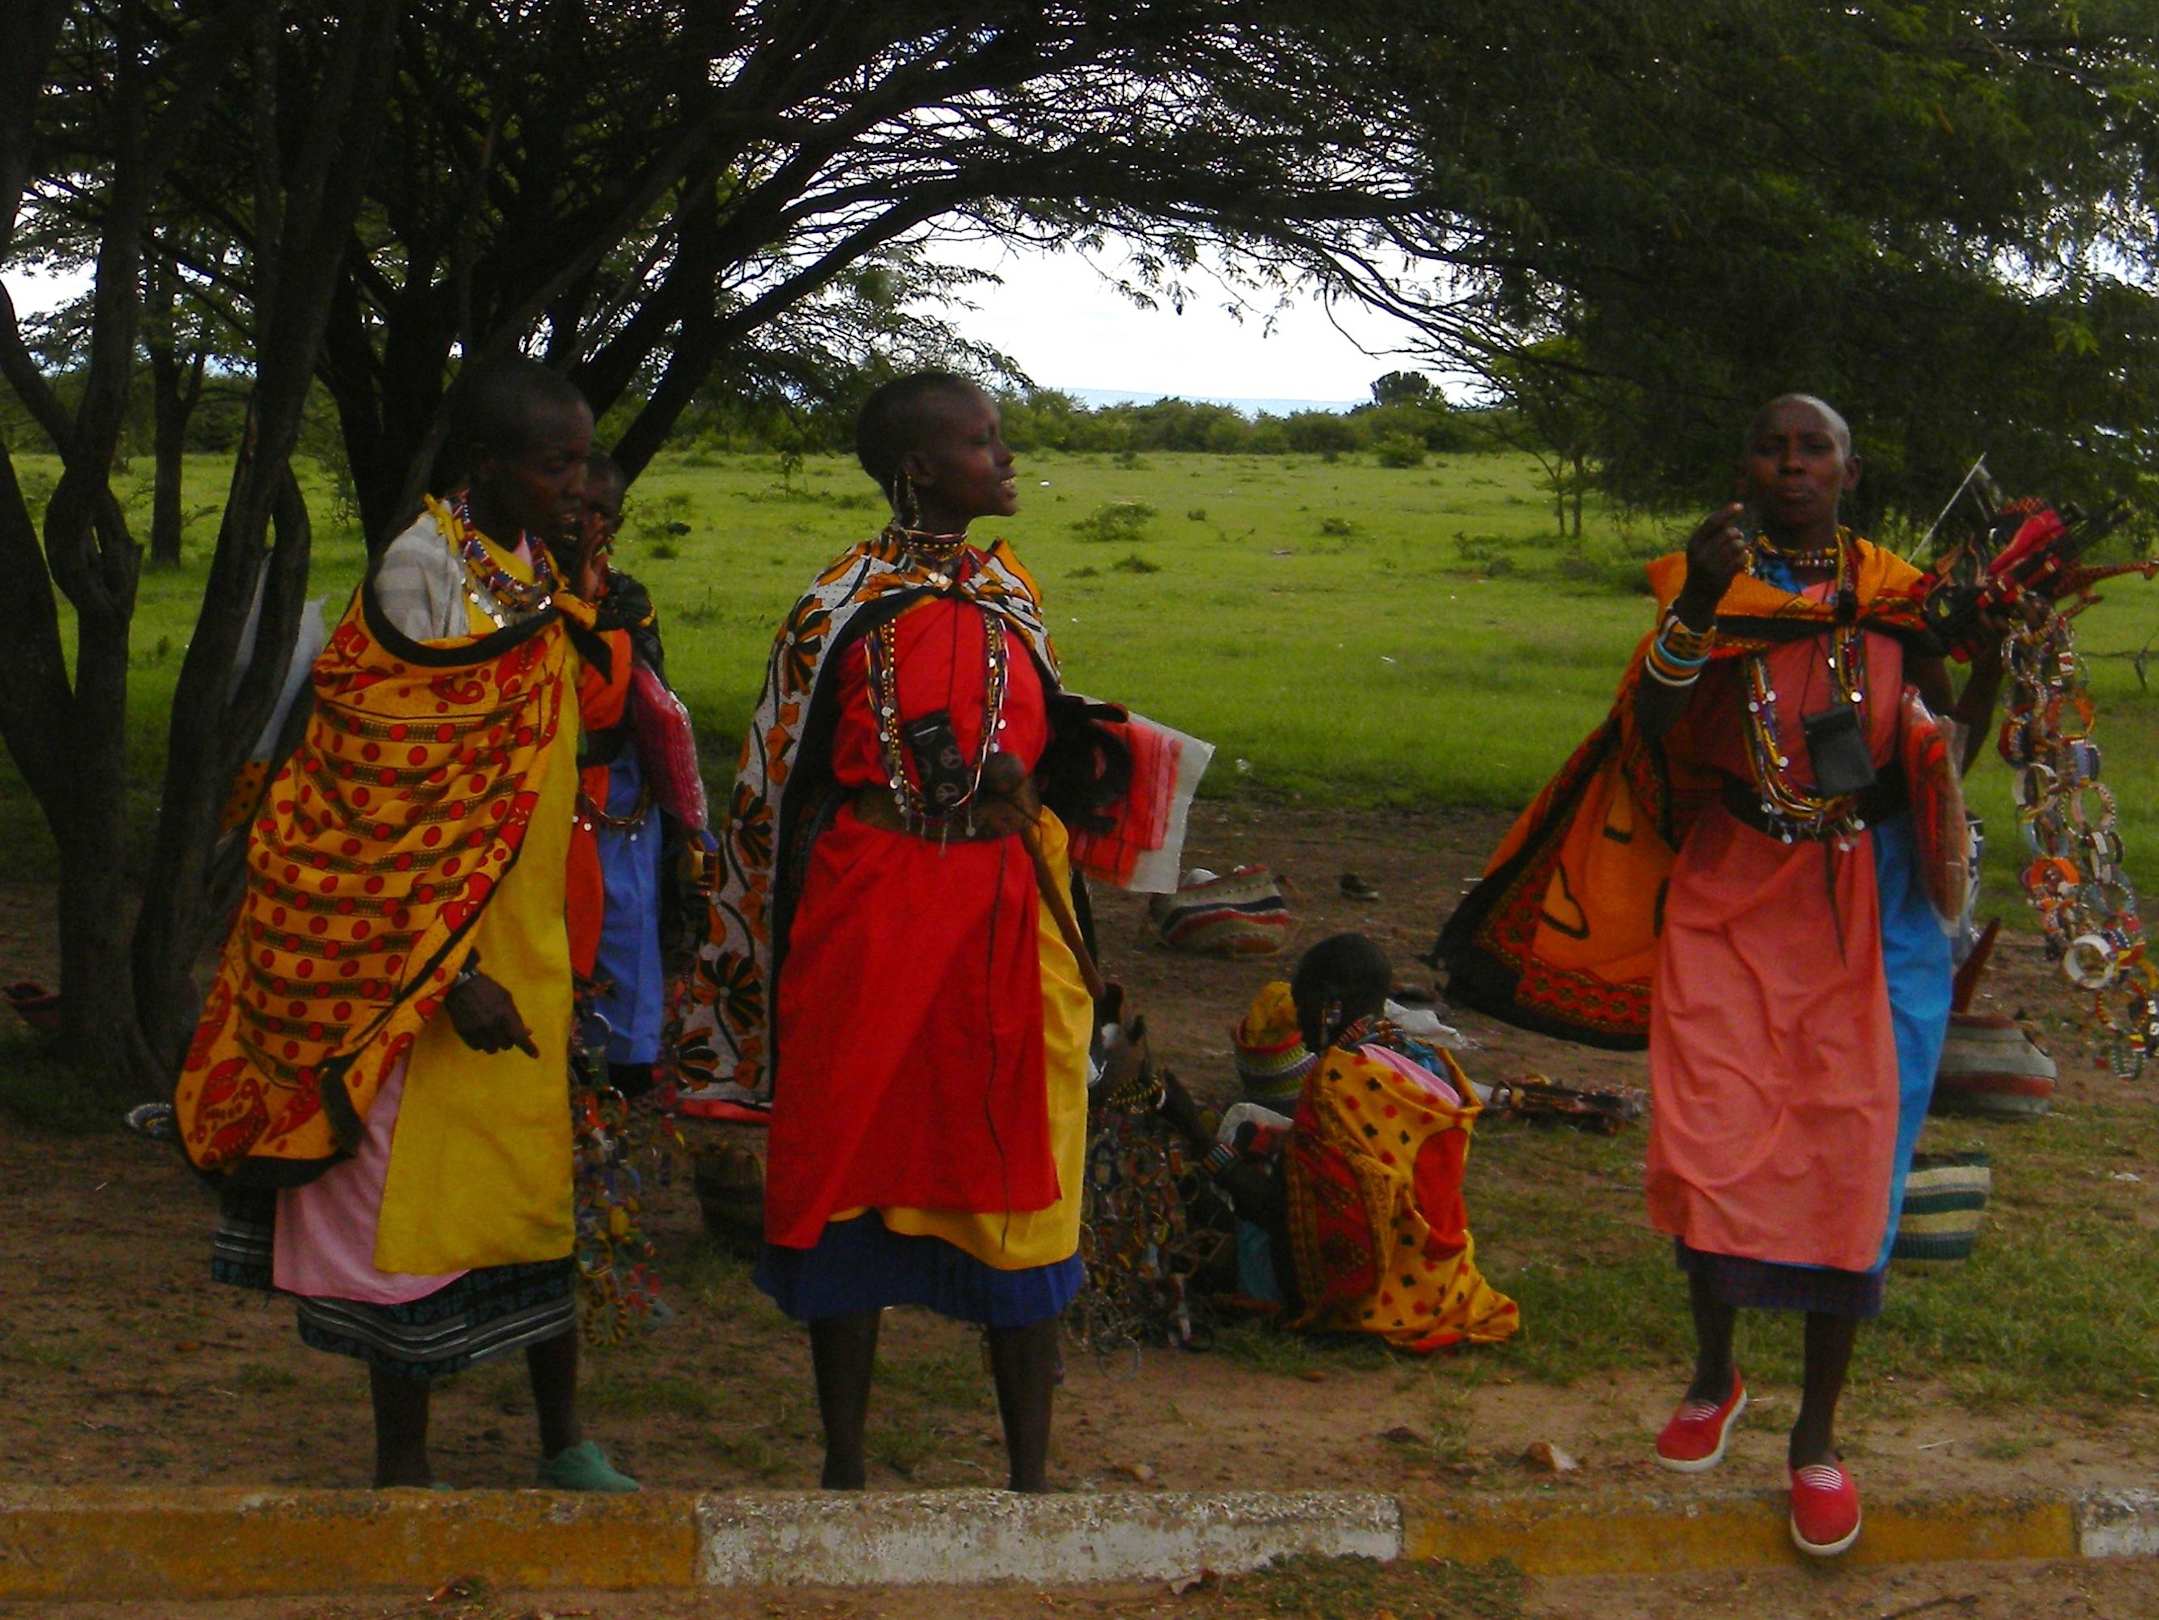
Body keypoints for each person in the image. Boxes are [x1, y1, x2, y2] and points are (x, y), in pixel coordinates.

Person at [1438, 394, 2004, 1557]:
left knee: (1848, 1163)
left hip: (1870, 909)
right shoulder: (1708, 588)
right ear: (1743, 467)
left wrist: (1988, 652)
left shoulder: (1900, 602)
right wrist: (1699, 602)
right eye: (1770, 447)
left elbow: (1947, 751)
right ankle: (1712, 1375)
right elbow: (1649, 721)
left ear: (1848, 472)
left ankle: (1814, 1441)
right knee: (1704, 1139)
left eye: (1813, 449)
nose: (1790, 465)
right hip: (1732, 889)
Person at [679, 371, 1153, 1492]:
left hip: (1009, 910)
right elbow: (776, 784)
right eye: (983, 441)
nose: (1006, 457)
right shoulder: (835, 603)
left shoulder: (1008, 588)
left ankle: (1029, 1481)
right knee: (851, 1153)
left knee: (1021, 1158)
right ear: (918, 469)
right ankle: (843, 1467)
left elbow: (1037, 737)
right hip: (875, 911)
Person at [173, 358, 640, 1492]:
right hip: (418, 961)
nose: (578, 486)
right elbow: (367, 804)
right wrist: (453, 974)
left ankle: (563, 1440)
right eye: (555, 464)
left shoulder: (539, 567)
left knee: (531, 1196)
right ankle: (405, 1470)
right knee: (405, 1213)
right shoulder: (421, 571)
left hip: (529, 942)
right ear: (484, 465)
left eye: (584, 462)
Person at [1159, 935, 1519, 1351]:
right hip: (1438, 1282)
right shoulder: (1426, 1058)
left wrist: (1194, 1131)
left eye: (1302, 1005)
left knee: (1228, 1182)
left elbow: (1278, 1211)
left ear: (1331, 1004)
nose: (1298, 1022)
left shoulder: (1335, 1083)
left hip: (1369, 1297)